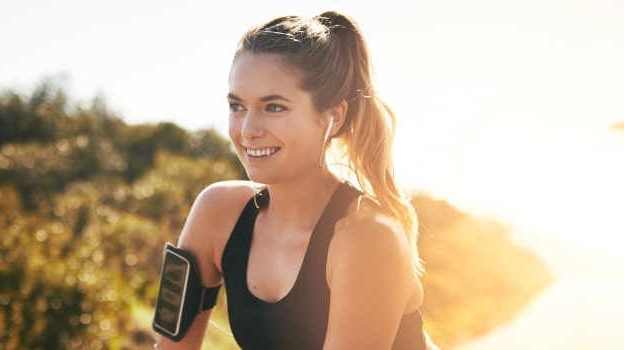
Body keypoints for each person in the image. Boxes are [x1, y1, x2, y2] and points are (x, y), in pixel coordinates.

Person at [155, 10, 436, 350]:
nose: (248, 131)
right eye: (237, 106)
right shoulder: (216, 212)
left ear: (333, 116)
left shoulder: (368, 238)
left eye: (274, 107)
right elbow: (169, 346)